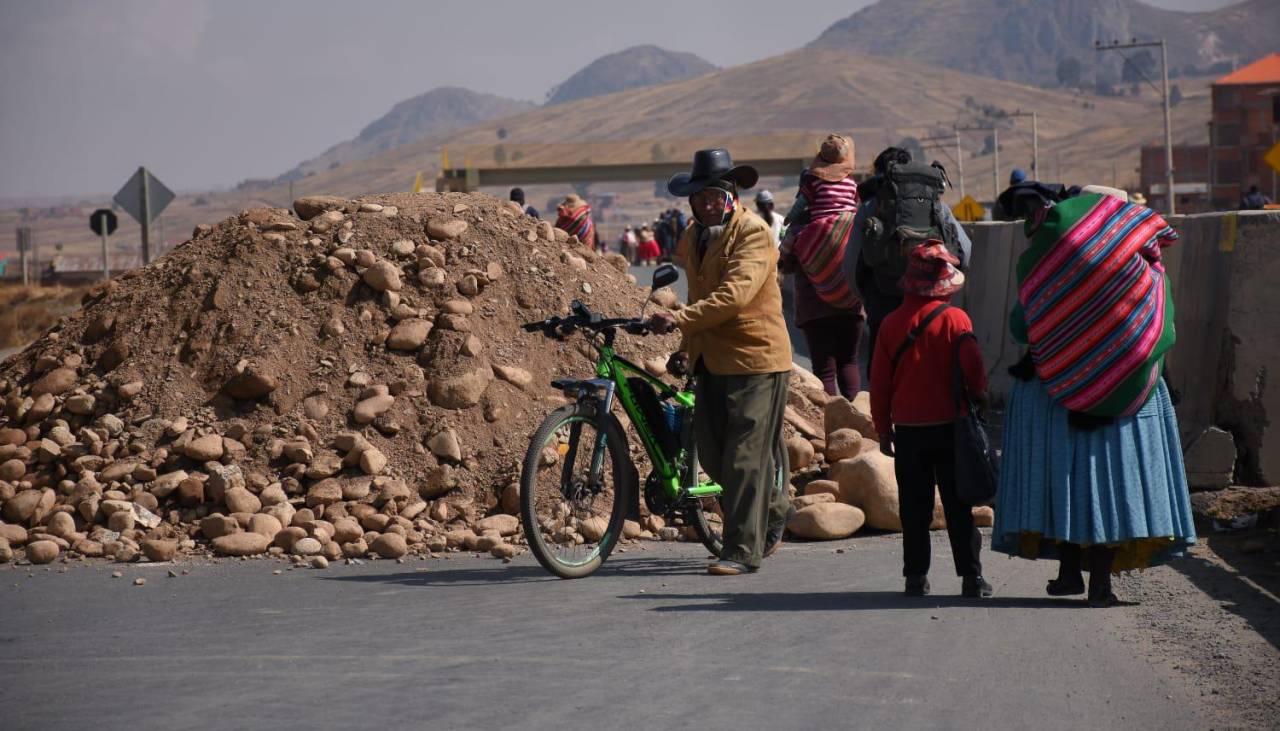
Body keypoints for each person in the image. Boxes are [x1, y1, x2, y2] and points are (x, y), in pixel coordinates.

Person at [991, 186, 1196, 607]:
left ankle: (1069, 573)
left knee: (1065, 478)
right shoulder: (1147, 270)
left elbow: (1020, 327)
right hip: (1127, 397)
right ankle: (1099, 583)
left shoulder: (1046, 265)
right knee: (1111, 483)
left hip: (1053, 390)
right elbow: (1164, 332)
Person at [646, 148, 793, 576]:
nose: (708, 203)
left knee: (745, 457)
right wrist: (686, 346)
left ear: (731, 194)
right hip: (711, 359)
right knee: (712, 454)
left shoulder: (753, 233)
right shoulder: (694, 237)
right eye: (701, 197)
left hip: (756, 360)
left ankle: (742, 550)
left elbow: (735, 296)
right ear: (691, 201)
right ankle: (778, 506)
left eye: (716, 195)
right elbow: (698, 296)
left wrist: (678, 319)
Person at [871, 243, 992, 598]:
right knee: (959, 506)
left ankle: (915, 578)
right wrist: (979, 398)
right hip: (951, 428)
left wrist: (882, 428)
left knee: (914, 507)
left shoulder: (891, 324)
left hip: (909, 430)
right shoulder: (956, 320)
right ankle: (971, 578)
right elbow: (975, 372)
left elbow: (879, 383)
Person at [844, 147, 972, 370]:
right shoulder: (935, 205)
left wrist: (867, 299)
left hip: (882, 304)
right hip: (931, 305)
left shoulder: (869, 208)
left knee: (884, 374)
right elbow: (965, 252)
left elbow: (851, 266)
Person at [777, 134, 865, 398]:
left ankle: (828, 424)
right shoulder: (853, 191)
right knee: (849, 361)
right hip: (850, 300)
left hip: (815, 306)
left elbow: (786, 258)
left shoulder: (805, 224)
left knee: (824, 371)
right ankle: (855, 417)